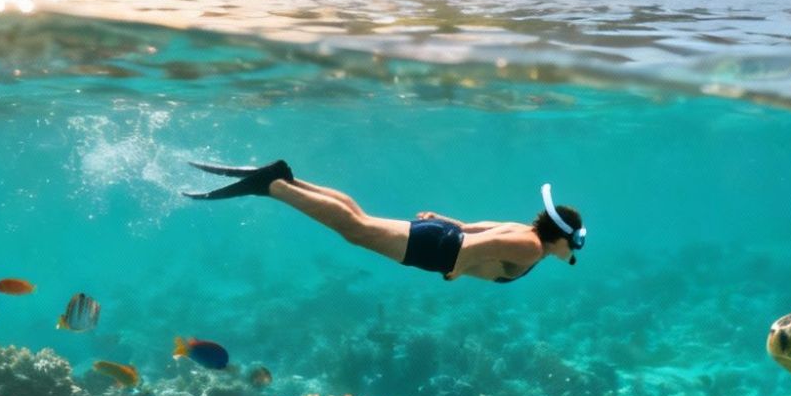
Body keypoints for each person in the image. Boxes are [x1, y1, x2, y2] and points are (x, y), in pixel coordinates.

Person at [185, 160, 584, 283]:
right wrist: (456, 272)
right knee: (355, 231)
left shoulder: (526, 230)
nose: (575, 251)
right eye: (577, 243)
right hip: (441, 251)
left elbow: (474, 226)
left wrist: (443, 219)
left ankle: (288, 178)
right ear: (561, 238)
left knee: (359, 220)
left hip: (443, 237)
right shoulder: (531, 247)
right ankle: (273, 187)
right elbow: (477, 245)